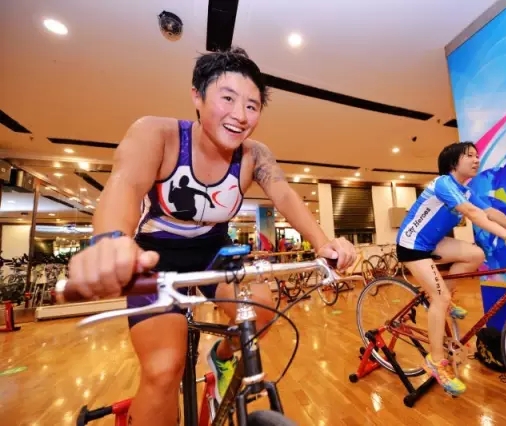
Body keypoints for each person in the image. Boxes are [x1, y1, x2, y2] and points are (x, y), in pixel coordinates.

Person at [64, 47, 356, 426]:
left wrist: (323, 243)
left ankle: (221, 357)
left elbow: (284, 196)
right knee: (163, 369)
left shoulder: (255, 155)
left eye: (252, 106)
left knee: (262, 314)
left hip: (214, 252)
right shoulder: (157, 133)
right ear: (197, 97)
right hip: (155, 257)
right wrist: (111, 241)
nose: (240, 115)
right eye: (228, 98)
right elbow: (125, 184)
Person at [396, 141, 506, 396]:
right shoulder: (444, 184)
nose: (476, 159)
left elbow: (491, 213)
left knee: (476, 255)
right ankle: (435, 361)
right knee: (439, 298)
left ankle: (445, 300)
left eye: (477, 155)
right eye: (469, 155)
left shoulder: (466, 190)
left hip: (433, 242)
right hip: (412, 245)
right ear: (453, 162)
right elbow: (473, 214)